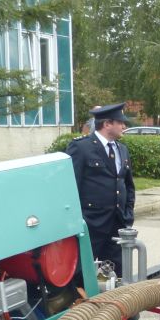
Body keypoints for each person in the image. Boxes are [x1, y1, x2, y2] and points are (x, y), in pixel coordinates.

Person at [66, 102, 135, 275]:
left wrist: (128, 214)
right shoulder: (81, 148)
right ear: (107, 124)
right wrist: (78, 220)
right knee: (82, 275)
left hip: (117, 224)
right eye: (120, 122)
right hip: (91, 225)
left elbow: (128, 185)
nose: (124, 126)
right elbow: (71, 187)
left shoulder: (122, 149)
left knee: (117, 275)